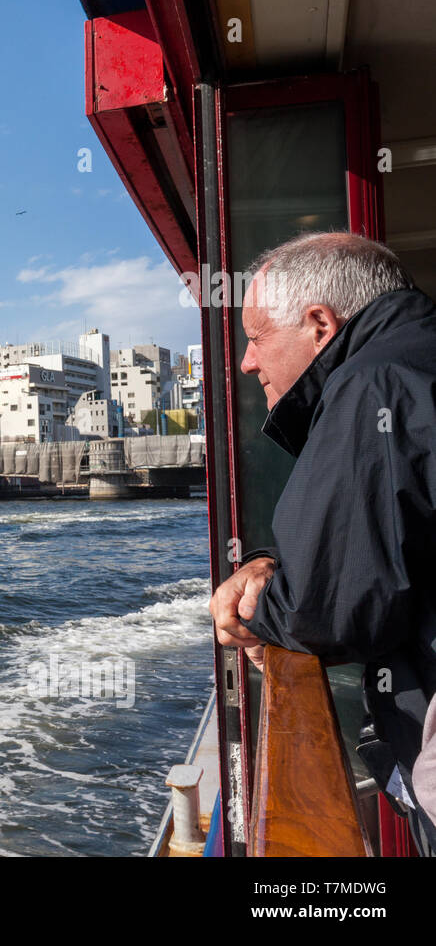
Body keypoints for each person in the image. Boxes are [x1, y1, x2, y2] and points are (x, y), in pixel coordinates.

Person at [208, 231, 436, 850]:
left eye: (255, 338)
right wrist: (269, 562)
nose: (247, 362)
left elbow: (326, 610)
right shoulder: (413, 358)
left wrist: (257, 601)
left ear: (319, 324)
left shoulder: (374, 384)